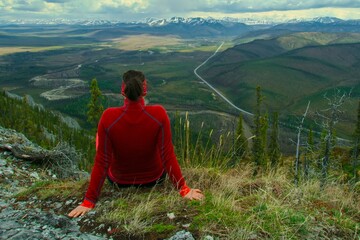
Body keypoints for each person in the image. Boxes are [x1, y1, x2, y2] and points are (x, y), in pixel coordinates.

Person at [68, 70, 204, 218]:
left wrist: (89, 201)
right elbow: (167, 156)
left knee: (100, 139)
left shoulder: (108, 116)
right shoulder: (159, 114)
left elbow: (102, 161)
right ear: (144, 90)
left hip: (119, 182)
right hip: (154, 180)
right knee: (162, 147)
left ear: (123, 90)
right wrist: (183, 189)